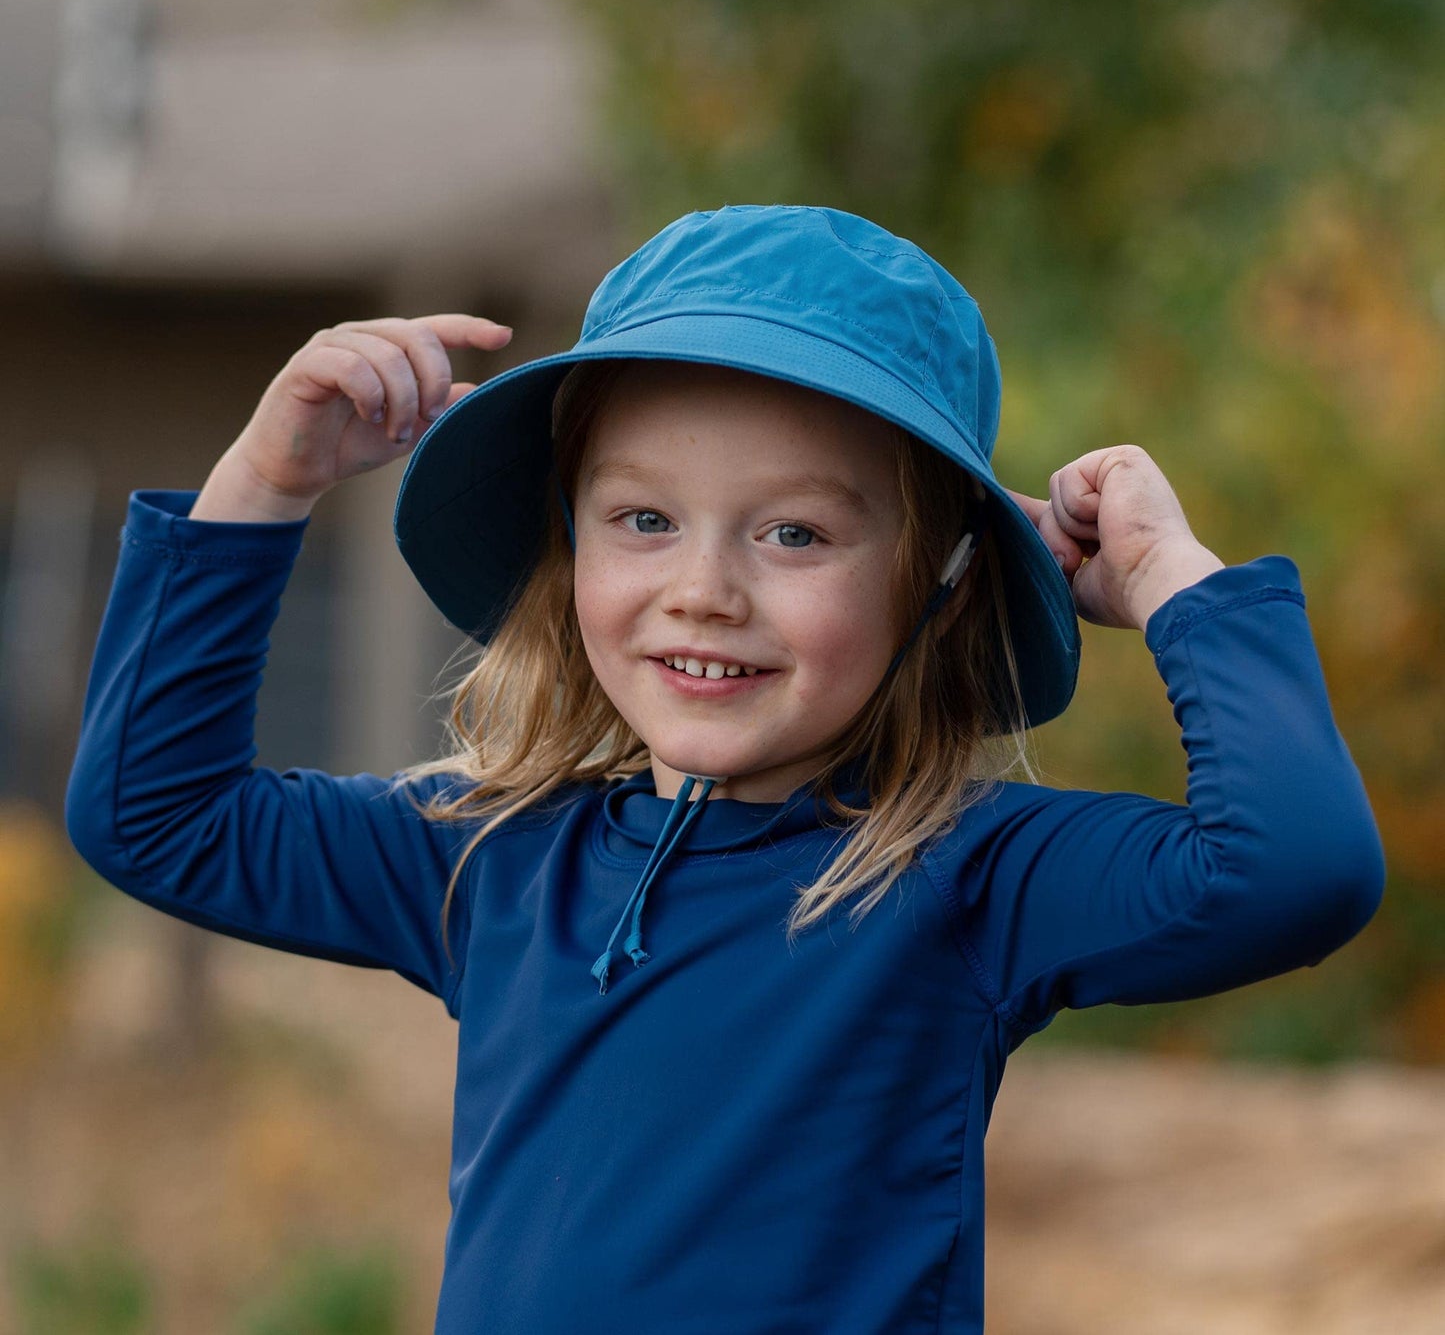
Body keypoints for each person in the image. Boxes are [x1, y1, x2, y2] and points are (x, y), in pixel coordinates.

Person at [67, 204, 1386, 1333]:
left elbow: (1297, 868)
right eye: (642, 518)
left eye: (795, 533)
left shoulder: (966, 878)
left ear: (935, 586)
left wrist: (1172, 585)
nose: (703, 590)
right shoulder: (490, 854)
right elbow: (154, 814)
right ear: (568, 542)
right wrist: (266, 478)